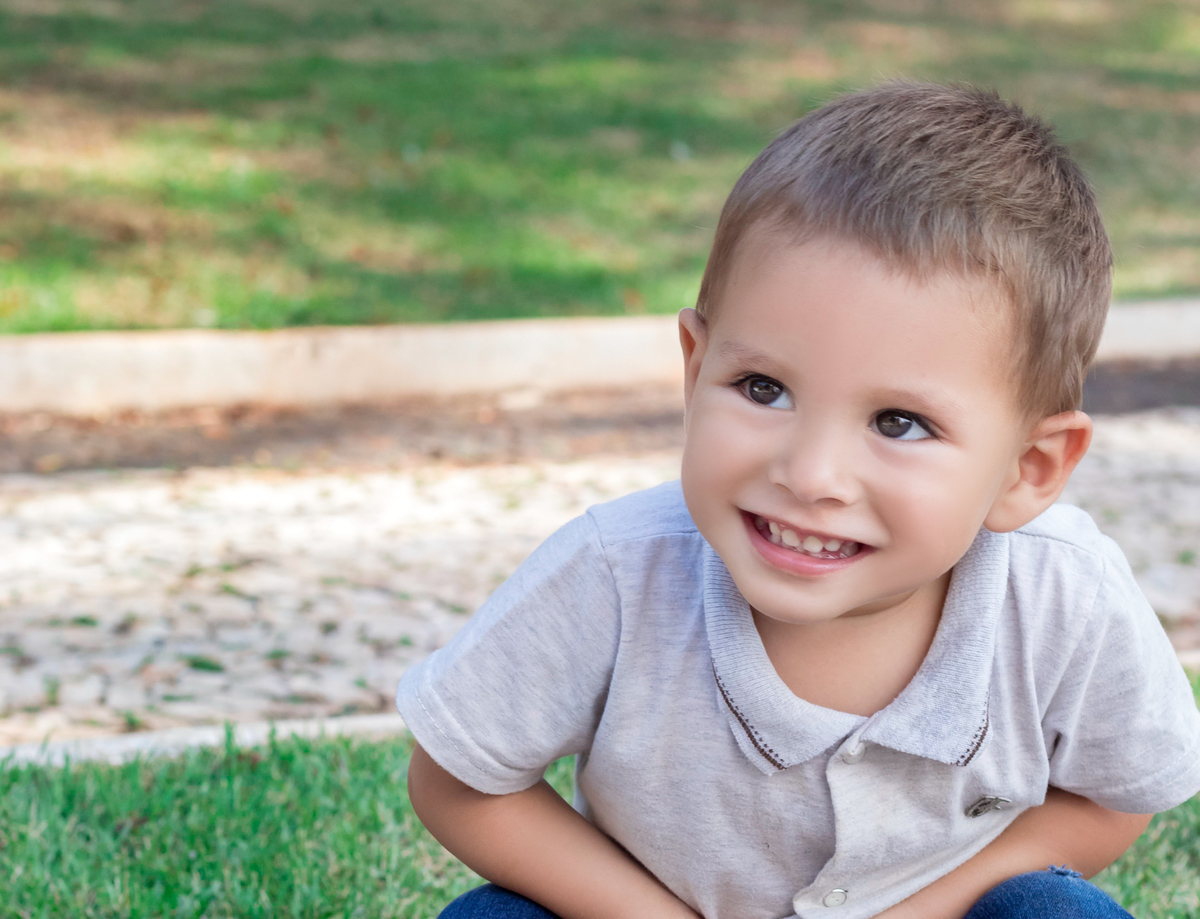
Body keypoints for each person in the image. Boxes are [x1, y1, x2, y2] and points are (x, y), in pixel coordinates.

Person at [397, 82, 1200, 919]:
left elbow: (1114, 794)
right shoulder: (612, 573)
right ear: (694, 368)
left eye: (899, 421)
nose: (811, 472)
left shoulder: (1064, 597)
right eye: (763, 387)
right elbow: (458, 782)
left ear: (1028, 469)